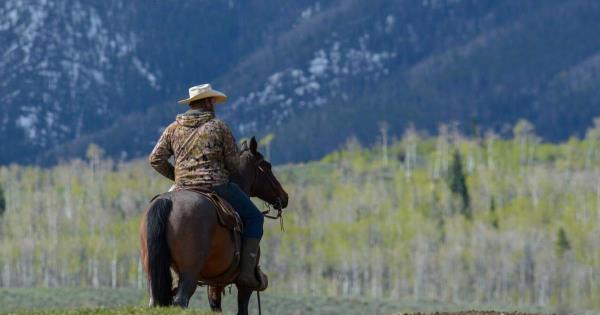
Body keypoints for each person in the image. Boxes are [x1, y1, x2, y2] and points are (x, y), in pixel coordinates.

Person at [148, 83, 266, 289]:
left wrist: (176, 175)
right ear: (208, 102)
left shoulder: (173, 128)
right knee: (255, 217)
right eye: (213, 101)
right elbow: (234, 165)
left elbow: (155, 159)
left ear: (192, 104)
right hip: (216, 186)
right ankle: (247, 273)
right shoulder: (219, 127)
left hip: (182, 187)